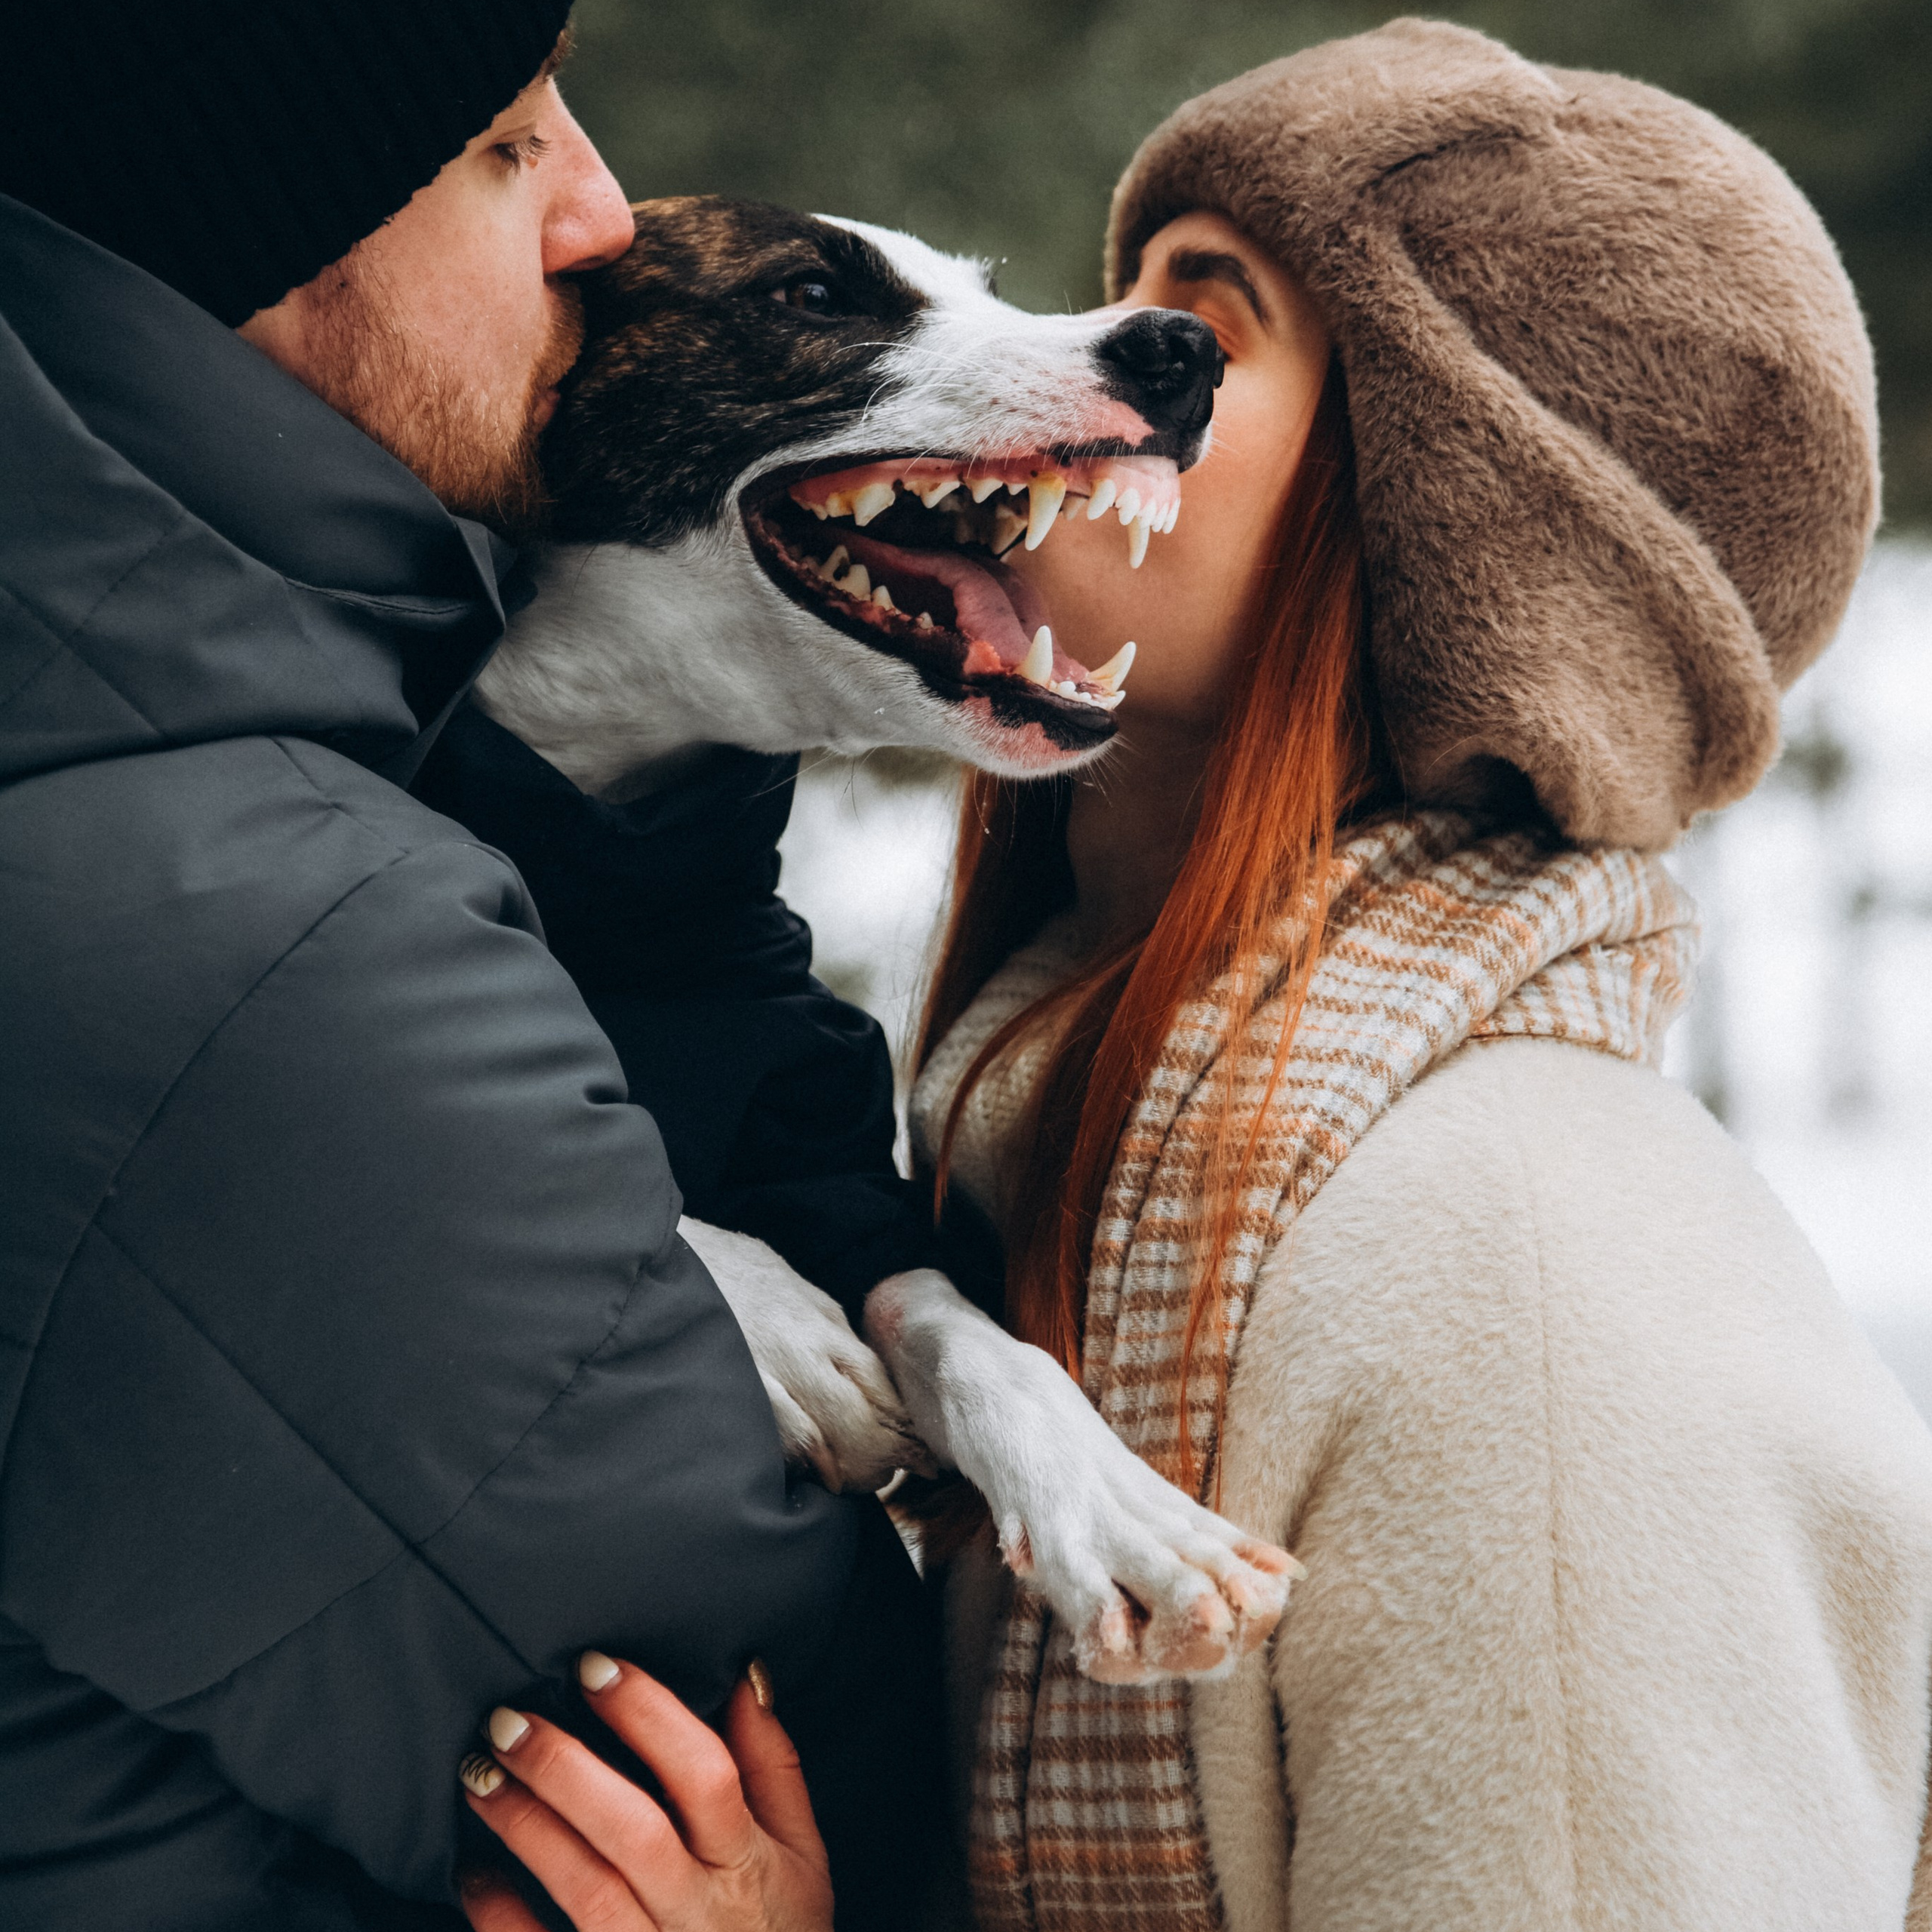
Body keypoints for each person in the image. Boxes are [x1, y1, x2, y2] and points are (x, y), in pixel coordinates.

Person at [894, 20, 1932, 1931]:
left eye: (1195, 321)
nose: (1063, 364)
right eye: (1115, 283)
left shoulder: (1516, 1280)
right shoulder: (1057, 1157)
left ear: (1452, 529)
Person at [0, 5, 938, 1929]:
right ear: (272, 230)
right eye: (510, 140)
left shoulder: (162, 751)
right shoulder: (256, 950)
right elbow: (876, 1783)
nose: (600, 208)